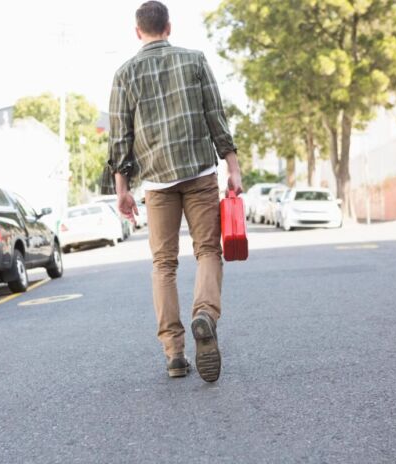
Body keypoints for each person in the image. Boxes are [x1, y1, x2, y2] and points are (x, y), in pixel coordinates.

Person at [103, 0, 242, 383]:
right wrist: (232, 166)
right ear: (169, 26)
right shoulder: (195, 60)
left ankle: (174, 354)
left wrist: (122, 190)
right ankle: (205, 314)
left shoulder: (125, 73)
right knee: (208, 251)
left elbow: (120, 140)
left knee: (164, 265)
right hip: (198, 172)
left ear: (138, 32)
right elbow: (216, 116)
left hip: (158, 183)